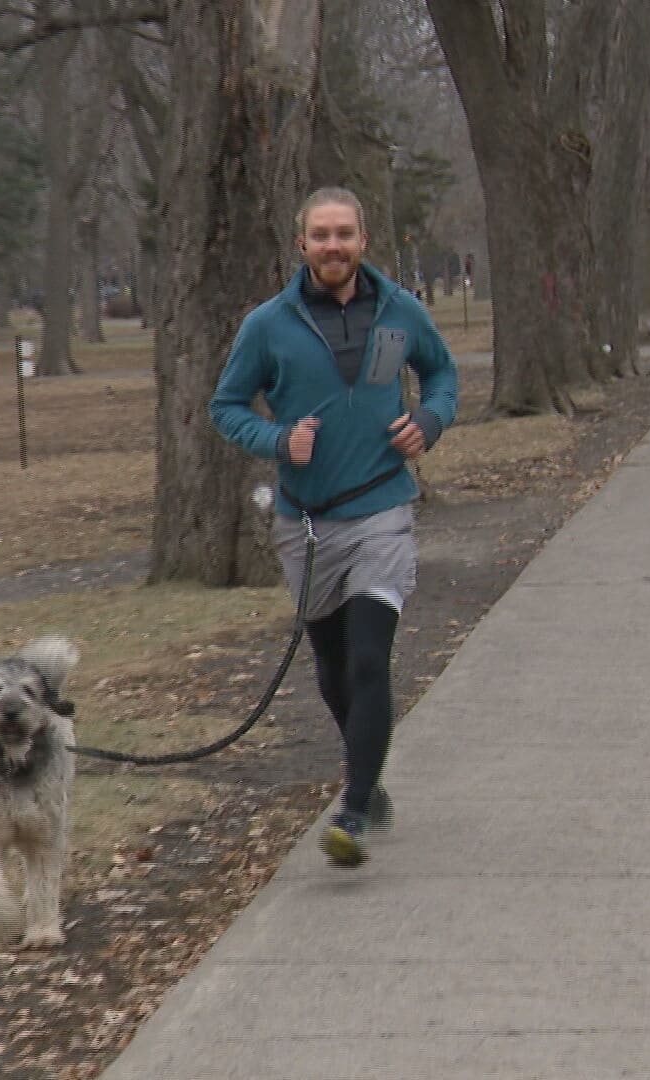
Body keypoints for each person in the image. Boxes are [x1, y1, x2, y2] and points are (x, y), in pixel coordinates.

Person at [210, 186, 459, 868]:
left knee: (370, 657)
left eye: (344, 233)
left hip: (382, 508)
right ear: (302, 246)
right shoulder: (268, 323)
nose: (333, 246)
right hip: (307, 523)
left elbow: (441, 375)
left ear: (363, 241)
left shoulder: (400, 310)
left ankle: (352, 806)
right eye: (320, 235)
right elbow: (227, 405)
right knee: (331, 668)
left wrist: (430, 420)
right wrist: (276, 439)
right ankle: (369, 776)